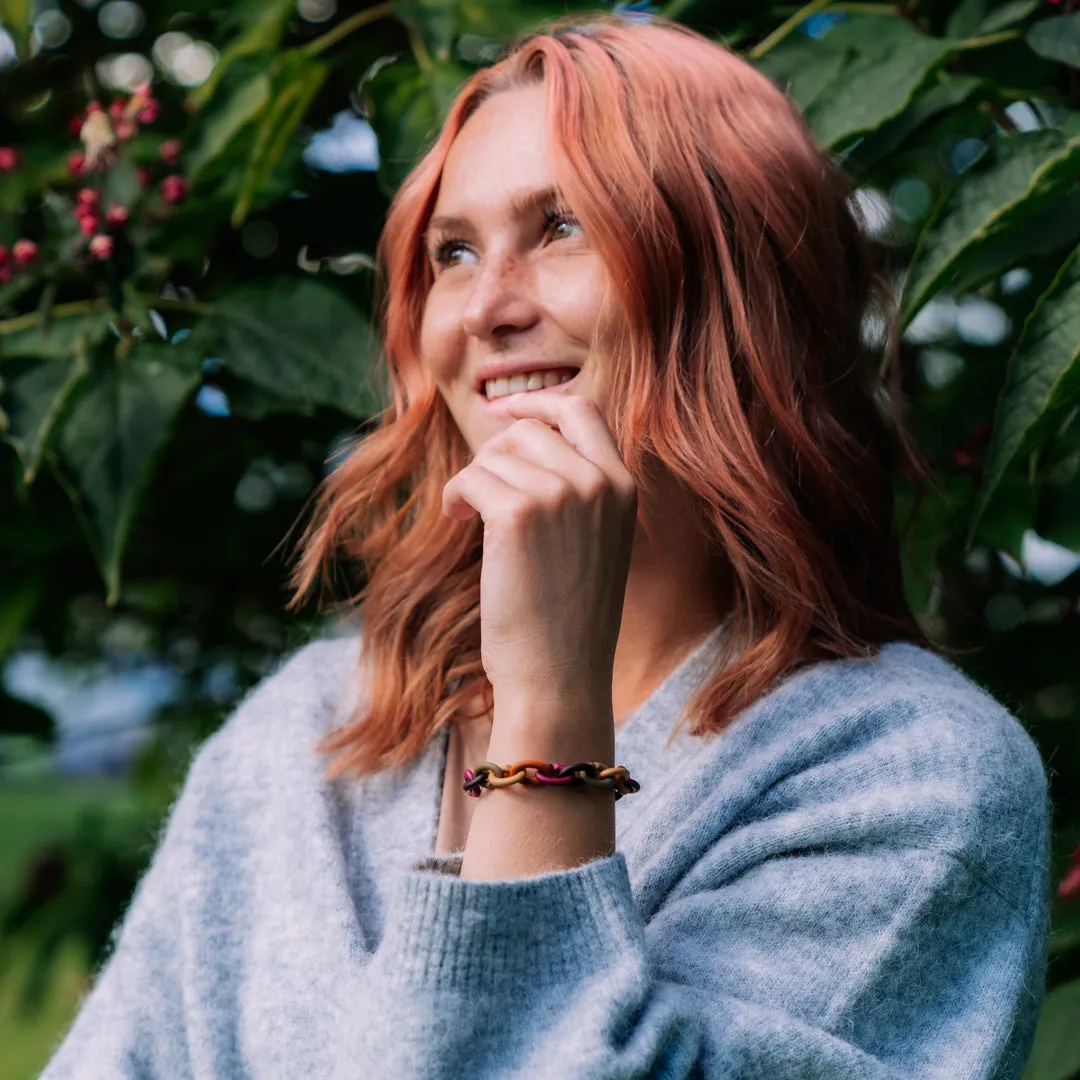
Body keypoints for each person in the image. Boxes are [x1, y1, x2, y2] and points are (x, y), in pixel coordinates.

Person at [40, 12, 1051, 1080]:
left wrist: (550, 706)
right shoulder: (309, 735)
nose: (484, 309)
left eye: (563, 228)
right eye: (453, 252)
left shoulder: (912, 783)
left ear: (738, 288)